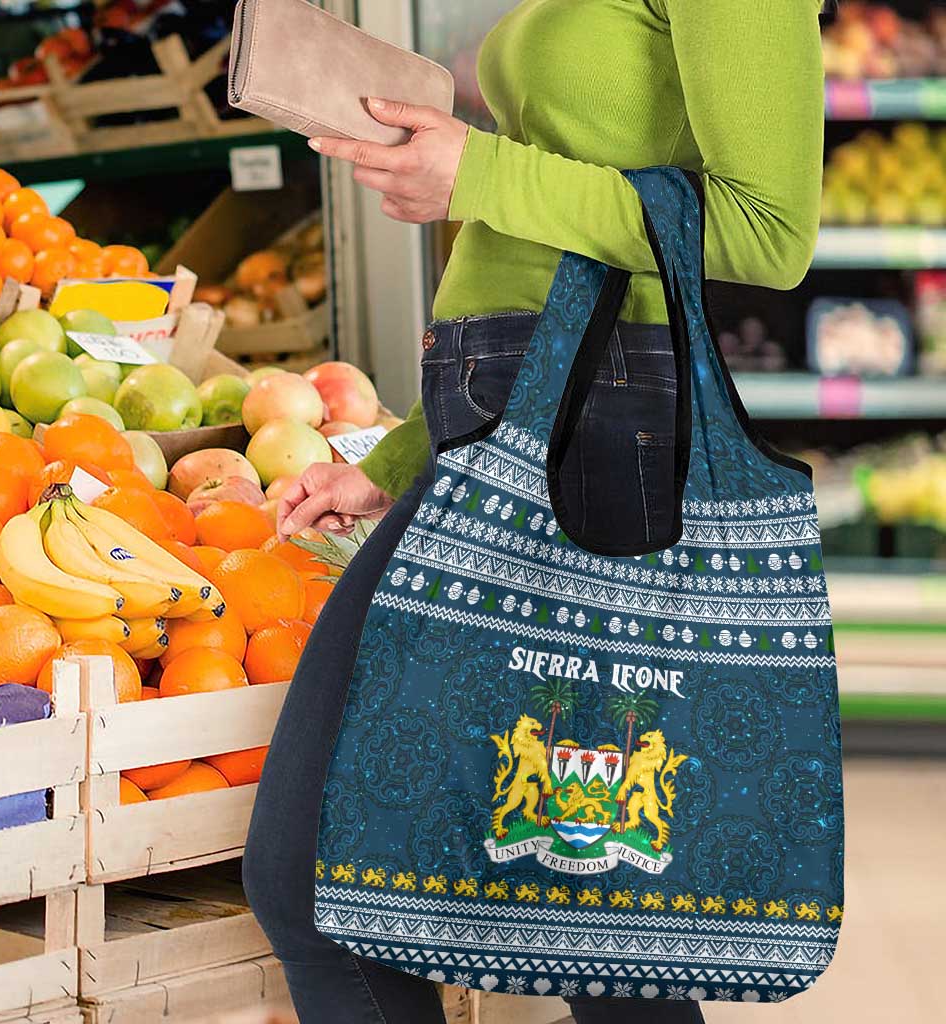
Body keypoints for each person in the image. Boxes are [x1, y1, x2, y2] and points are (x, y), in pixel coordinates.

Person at [243, 2, 828, 1022]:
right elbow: (545, 246)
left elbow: (770, 231)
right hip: (515, 431)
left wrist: (479, 173)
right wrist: (401, 456)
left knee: (327, 879)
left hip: (600, 443)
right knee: (597, 927)